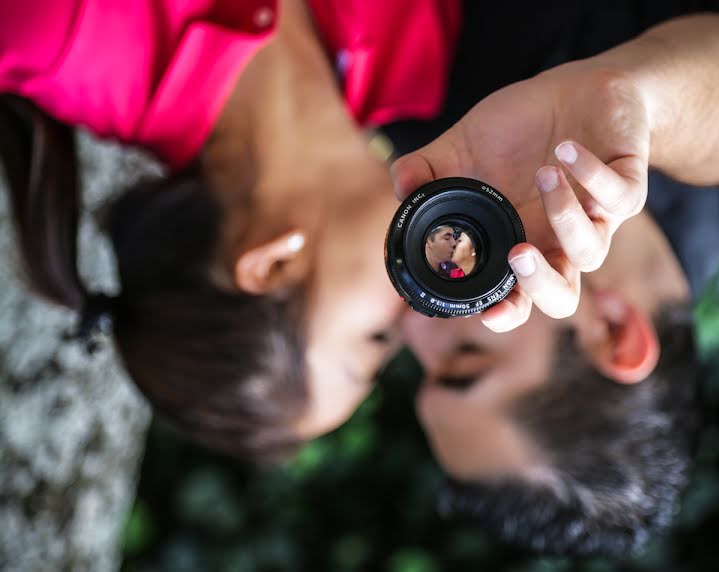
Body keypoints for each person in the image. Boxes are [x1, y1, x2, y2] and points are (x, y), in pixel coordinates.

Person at [392, 0, 719, 556]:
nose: (415, 327)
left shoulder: (438, 152)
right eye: (465, 356)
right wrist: (635, 102)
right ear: (613, 331)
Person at [0, 0, 462, 459]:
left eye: (377, 338)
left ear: (273, 265)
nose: (419, 320)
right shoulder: (418, 58)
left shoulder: (57, 31)